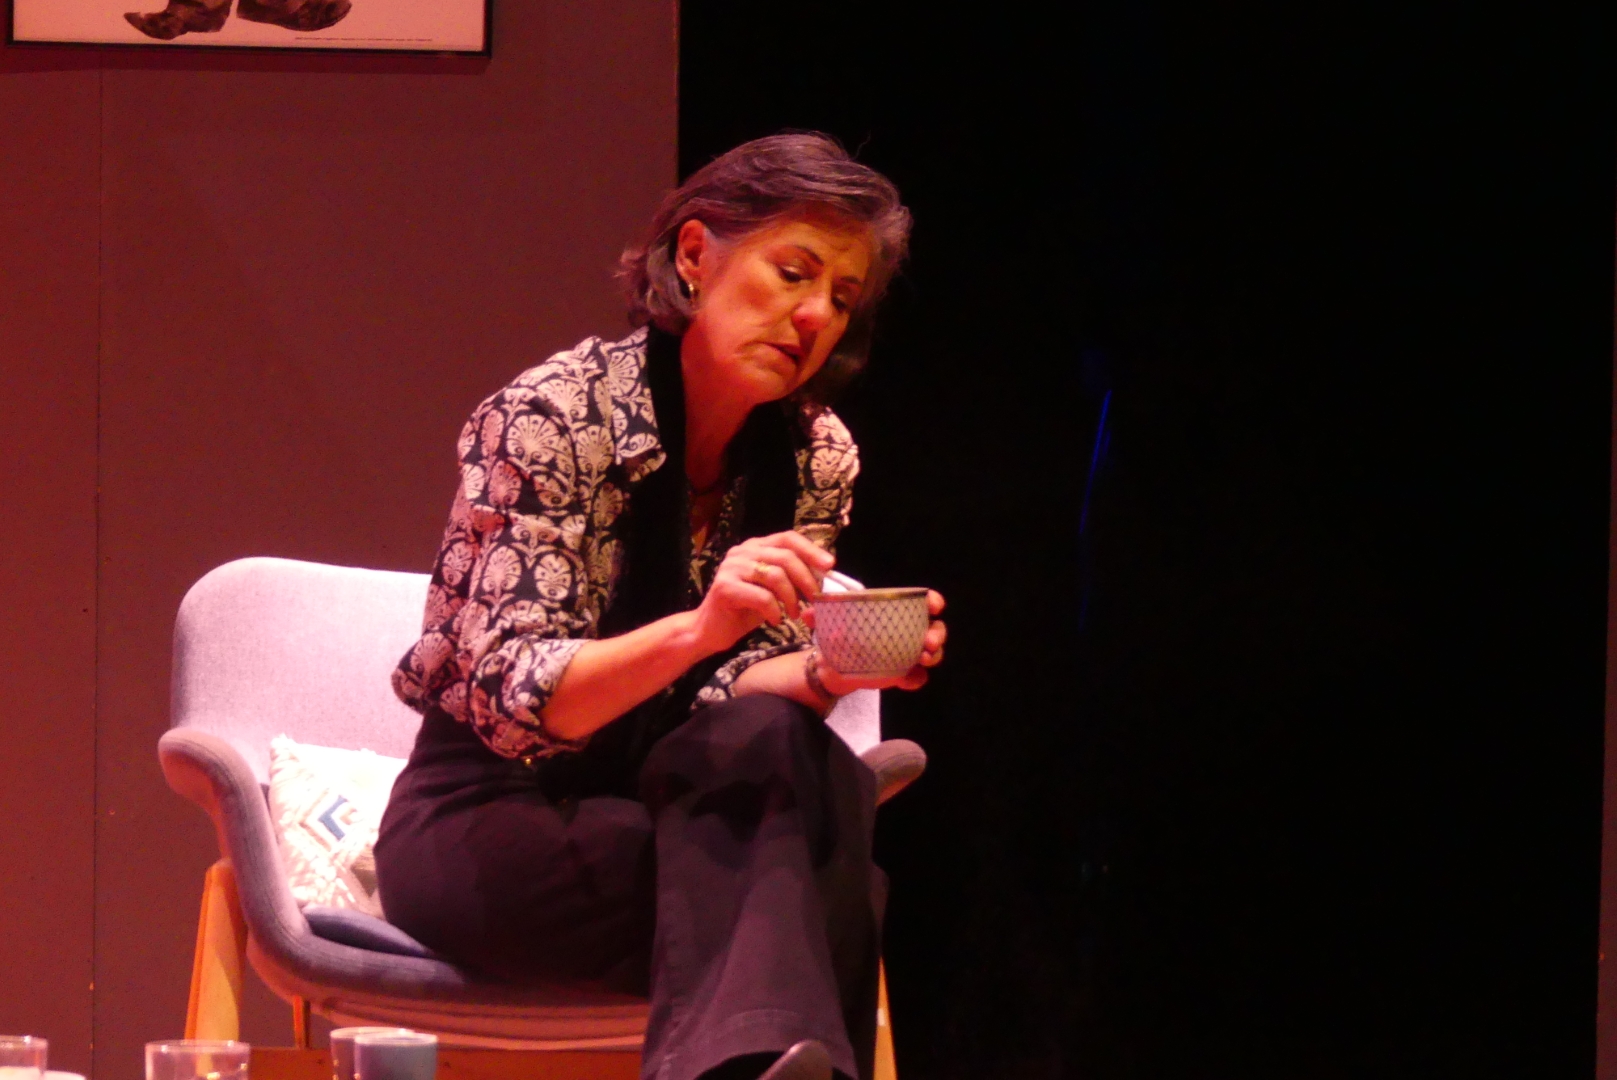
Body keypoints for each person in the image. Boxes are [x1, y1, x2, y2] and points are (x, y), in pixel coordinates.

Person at [374, 133, 947, 1080]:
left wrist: (826, 672)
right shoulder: (554, 417)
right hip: (490, 822)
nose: (814, 315)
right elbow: (521, 700)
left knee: (785, 758)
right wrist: (702, 627)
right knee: (818, 873)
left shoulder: (817, 454)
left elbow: (729, 700)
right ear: (693, 257)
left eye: (842, 297)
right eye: (792, 273)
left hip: (673, 809)